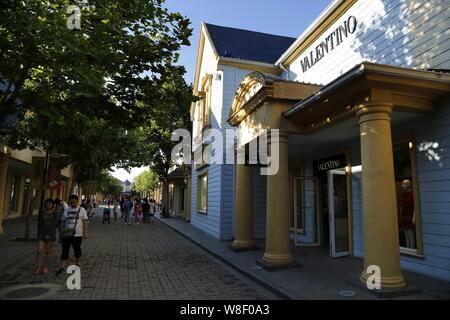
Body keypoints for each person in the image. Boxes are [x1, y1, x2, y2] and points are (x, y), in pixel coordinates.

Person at [57, 194, 89, 275]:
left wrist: (85, 232)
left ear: (77, 201)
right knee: (65, 249)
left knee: (77, 249)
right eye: (71, 202)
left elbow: (85, 222)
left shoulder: (82, 210)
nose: (72, 204)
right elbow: (63, 221)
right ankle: (62, 266)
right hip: (66, 234)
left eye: (74, 202)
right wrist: (61, 232)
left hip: (77, 234)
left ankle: (77, 261)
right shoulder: (67, 209)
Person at [35, 199, 60, 275]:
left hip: (51, 234)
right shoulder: (42, 212)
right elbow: (40, 223)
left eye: (50, 204)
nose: (48, 206)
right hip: (41, 233)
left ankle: (46, 267)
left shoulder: (55, 213)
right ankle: (39, 267)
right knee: (39, 251)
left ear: (52, 205)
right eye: (47, 204)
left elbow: (55, 224)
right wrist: (39, 233)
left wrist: (48, 233)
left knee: (48, 251)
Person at [399, 179, 415, 249]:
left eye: (405, 184)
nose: (403, 186)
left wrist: (414, 217)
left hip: (410, 215)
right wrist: (400, 215)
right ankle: (408, 248)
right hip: (404, 215)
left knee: (410, 234)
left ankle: (412, 248)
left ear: (408, 185)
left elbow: (415, 207)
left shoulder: (413, 194)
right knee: (406, 234)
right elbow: (402, 206)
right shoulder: (403, 195)